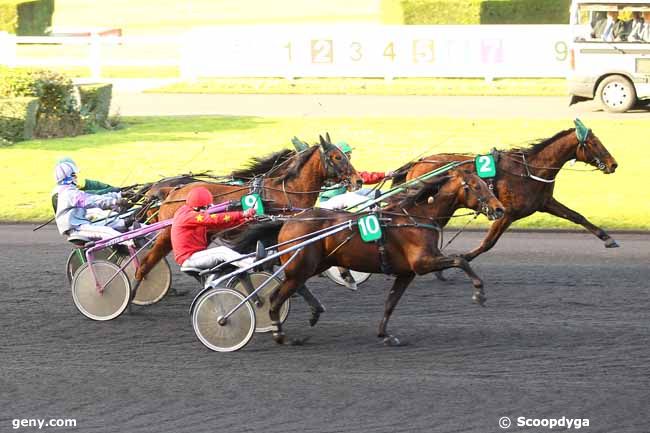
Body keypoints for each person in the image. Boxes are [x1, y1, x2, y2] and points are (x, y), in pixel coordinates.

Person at [318, 141, 393, 291]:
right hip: (329, 203)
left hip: (343, 196)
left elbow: (361, 177)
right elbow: (360, 178)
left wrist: (384, 175)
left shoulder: (344, 168)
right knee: (364, 201)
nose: (350, 157)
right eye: (348, 155)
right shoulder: (333, 169)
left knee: (375, 194)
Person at [171, 186, 257, 275]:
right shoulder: (188, 216)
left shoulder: (190, 212)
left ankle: (250, 261)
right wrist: (242, 214)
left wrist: (243, 220)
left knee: (226, 251)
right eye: (207, 206)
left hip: (195, 255)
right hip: (189, 259)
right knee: (222, 251)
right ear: (198, 207)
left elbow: (219, 224)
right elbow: (213, 219)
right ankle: (253, 264)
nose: (208, 209)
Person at [53, 160, 131, 243]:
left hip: (80, 224)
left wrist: (118, 195)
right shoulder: (69, 193)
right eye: (74, 175)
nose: (76, 177)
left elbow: (95, 197)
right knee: (108, 232)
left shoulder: (65, 190)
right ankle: (131, 244)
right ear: (68, 177)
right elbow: (92, 201)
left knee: (118, 223)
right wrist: (114, 201)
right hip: (76, 228)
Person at [51, 157, 120, 213]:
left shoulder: (62, 188)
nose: (76, 177)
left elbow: (97, 188)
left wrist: (118, 192)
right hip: (76, 223)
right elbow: (90, 196)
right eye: (73, 174)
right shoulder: (65, 193)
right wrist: (116, 194)